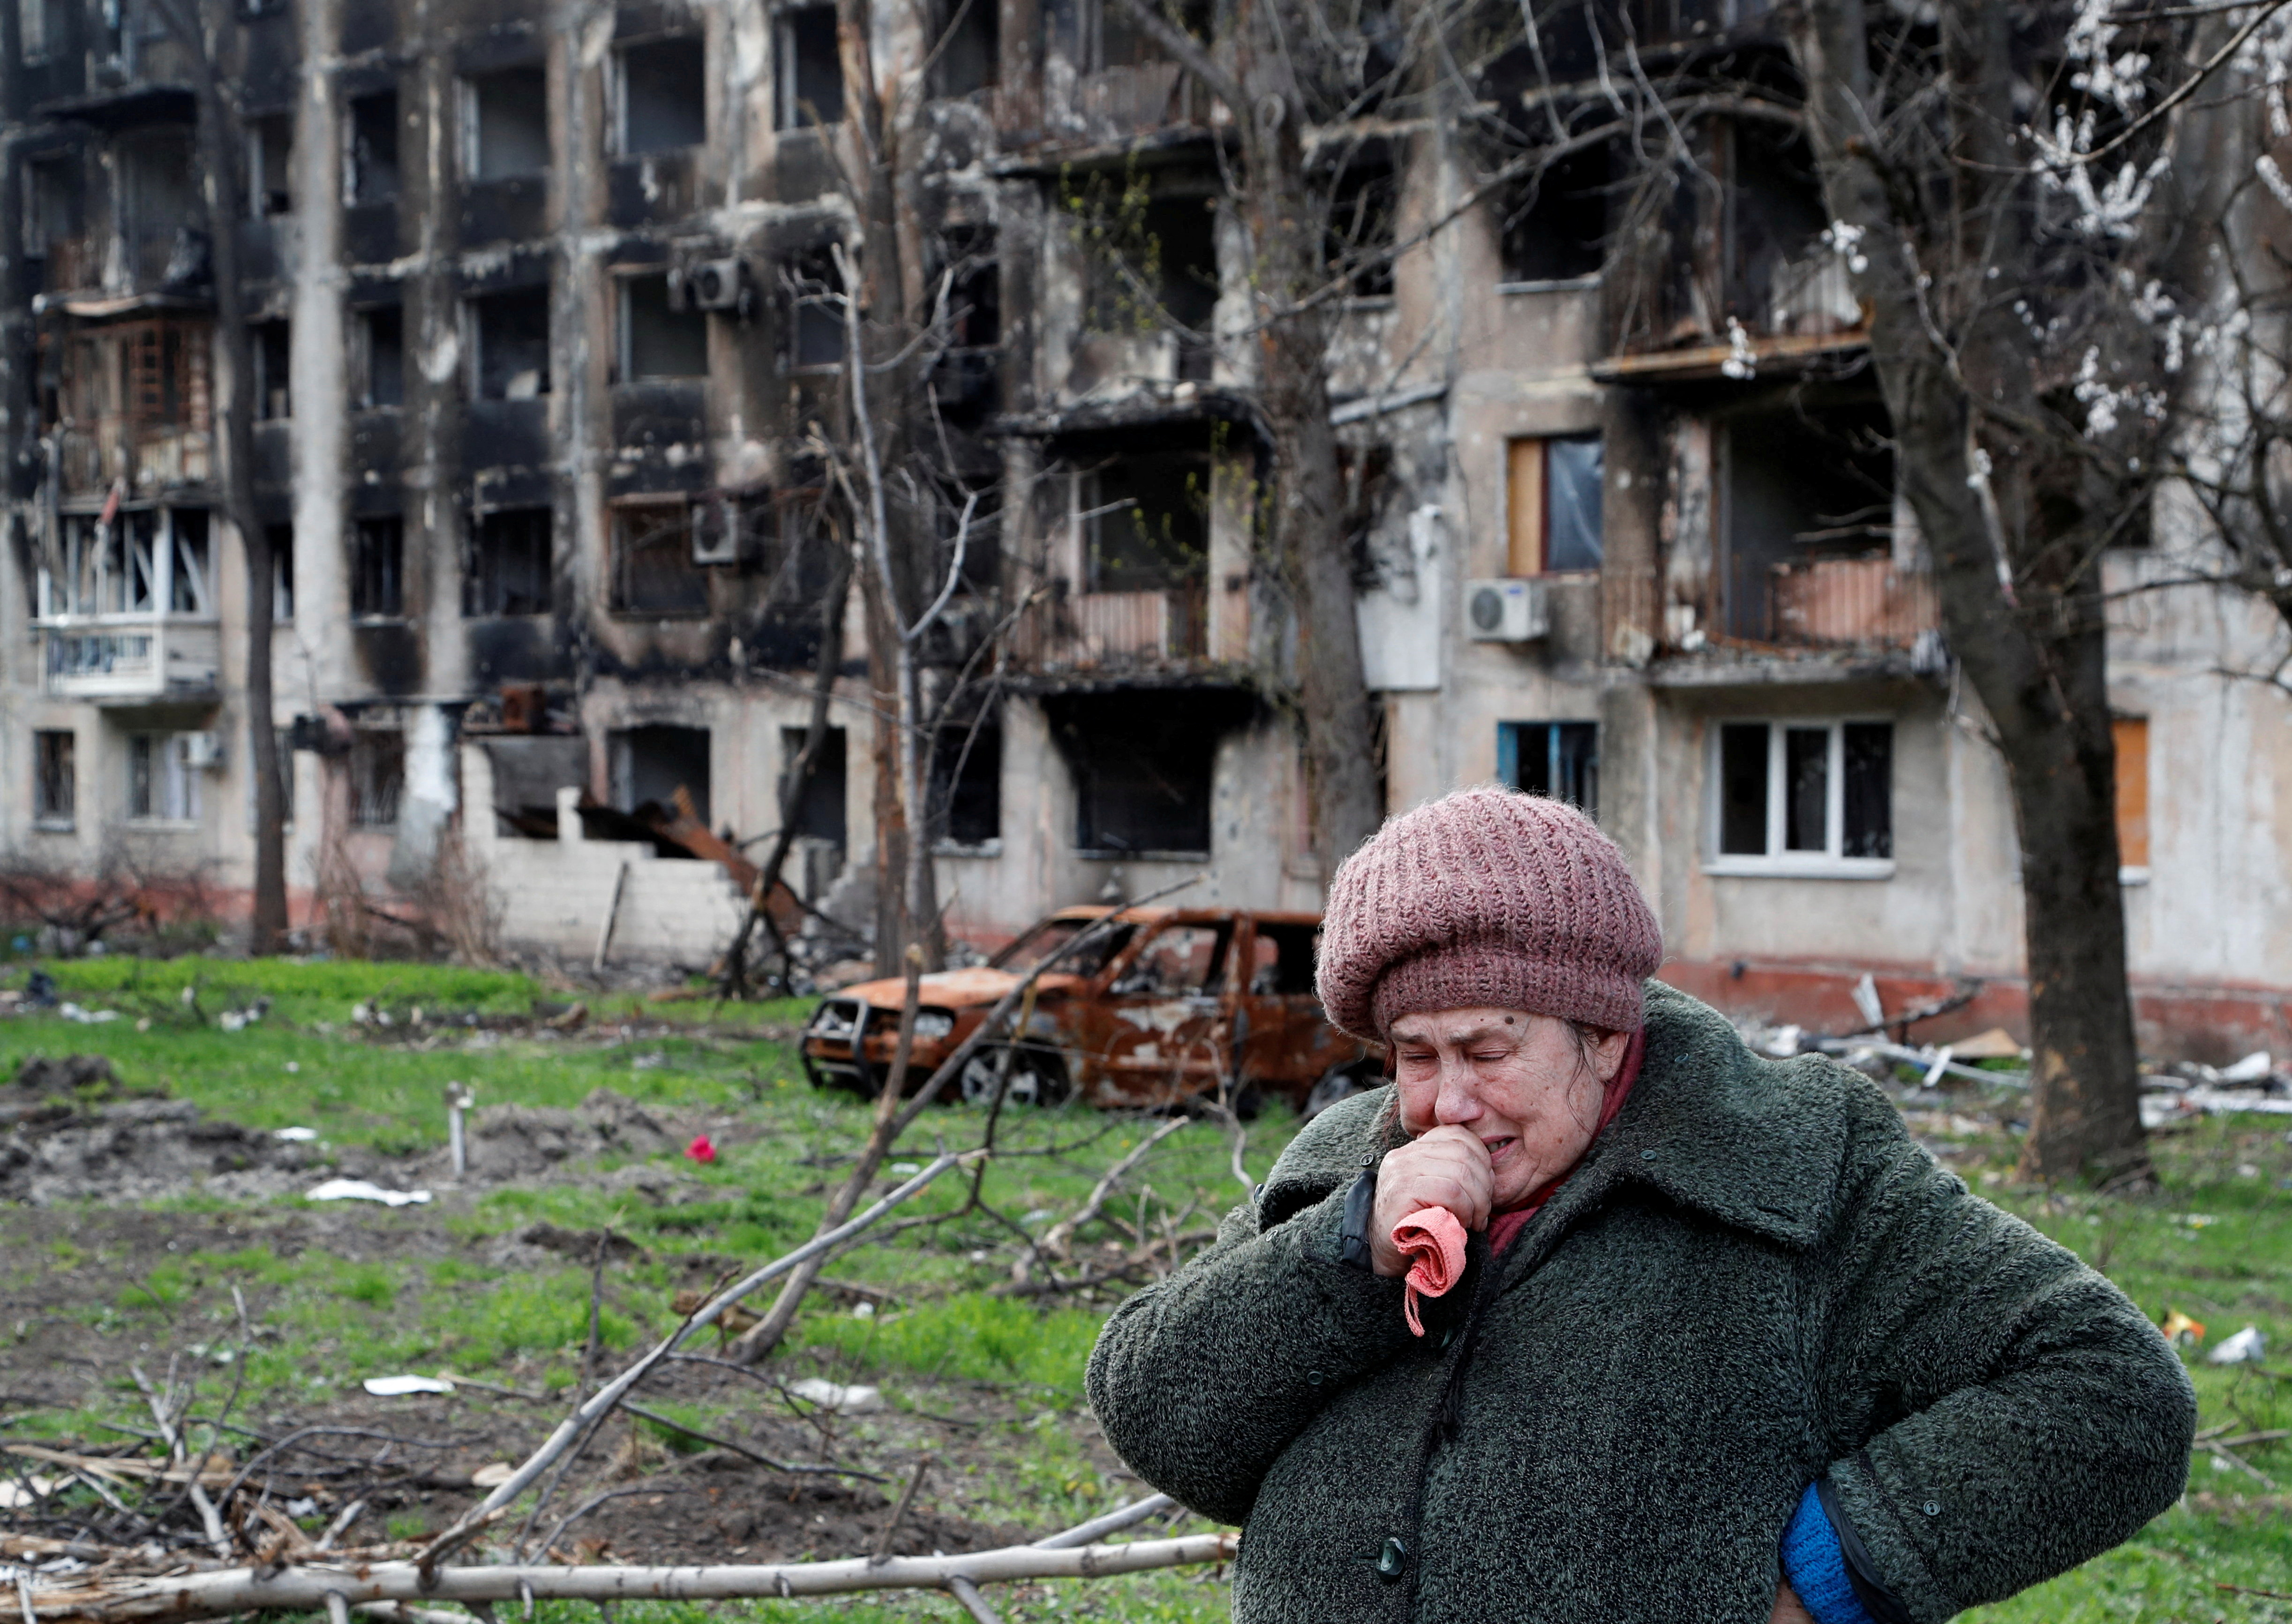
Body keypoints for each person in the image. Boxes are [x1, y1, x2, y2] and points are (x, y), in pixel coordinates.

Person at [1086, 787, 2195, 1624]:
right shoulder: (1347, 1163)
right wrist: (1344, 1254)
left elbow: (2113, 1388)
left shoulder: (1793, 1159)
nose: (1447, 1103)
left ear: (1605, 1031)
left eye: (1488, 1048)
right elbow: (1156, 1415)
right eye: (1414, 1055)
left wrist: (1841, 1566)